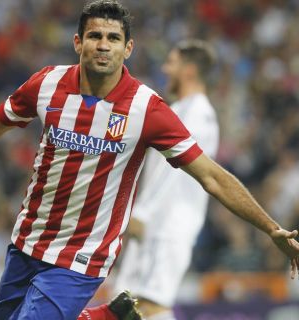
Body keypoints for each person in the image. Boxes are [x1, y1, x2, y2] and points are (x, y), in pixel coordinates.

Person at [0, 1, 299, 319]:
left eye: (113, 38)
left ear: (128, 49)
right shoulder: (47, 85)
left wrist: (271, 228)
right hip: (27, 241)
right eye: (94, 36)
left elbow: (213, 177)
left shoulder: (148, 109)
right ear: (77, 42)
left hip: (82, 255)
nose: (102, 45)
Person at [95, 39, 220, 320]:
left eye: (171, 63)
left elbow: (175, 170)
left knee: (149, 304)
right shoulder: (180, 110)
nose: (165, 69)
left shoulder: (200, 113)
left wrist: (142, 211)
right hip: (155, 223)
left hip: (171, 225)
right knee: (127, 305)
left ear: (189, 71)